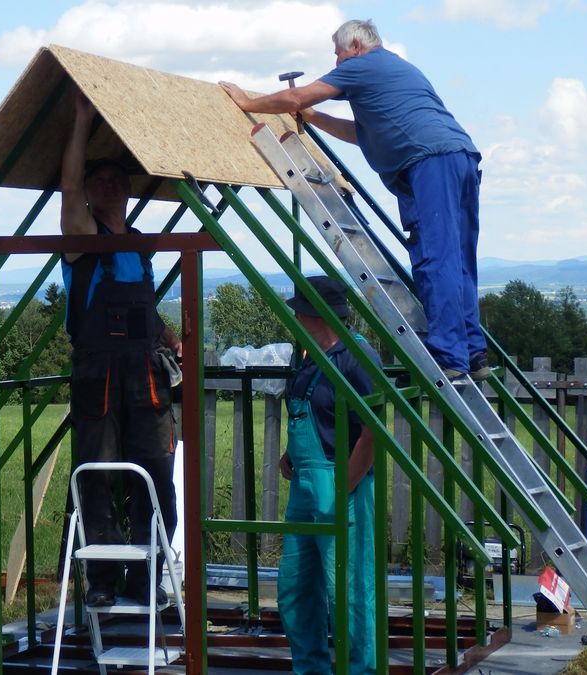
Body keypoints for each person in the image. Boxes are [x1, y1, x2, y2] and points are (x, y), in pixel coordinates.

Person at [219, 19, 490, 381]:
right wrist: (314, 119)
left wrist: (247, 100)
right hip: (459, 157)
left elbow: (298, 96)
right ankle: (472, 352)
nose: (336, 63)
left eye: (338, 53)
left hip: (429, 163)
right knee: (457, 259)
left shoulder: (363, 65)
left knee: (435, 257)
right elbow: (361, 134)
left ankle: (448, 357)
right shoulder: (395, 71)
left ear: (357, 46)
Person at [61, 91, 182, 607]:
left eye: (117, 178)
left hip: (146, 374)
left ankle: (148, 575)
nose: (109, 184)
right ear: (88, 191)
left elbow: (144, 311)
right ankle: (103, 582)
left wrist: (174, 339)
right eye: (99, 179)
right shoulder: (81, 236)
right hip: (98, 375)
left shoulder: (138, 243)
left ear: (129, 190)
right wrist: (82, 122)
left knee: (155, 472)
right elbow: (66, 187)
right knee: (98, 473)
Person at [279, 276, 378, 675]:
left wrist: (344, 486)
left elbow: (372, 430)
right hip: (304, 489)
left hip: (341, 487)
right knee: (295, 588)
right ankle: (311, 669)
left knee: (348, 593)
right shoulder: (311, 356)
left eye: (300, 310)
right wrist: (292, 453)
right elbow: (314, 410)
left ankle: (360, 671)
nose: (296, 316)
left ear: (316, 315)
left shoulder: (357, 357)